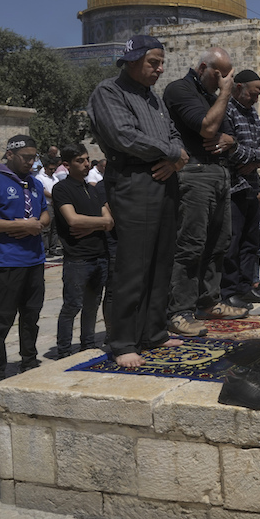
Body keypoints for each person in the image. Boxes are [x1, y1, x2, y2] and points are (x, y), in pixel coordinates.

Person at [87, 34, 187, 368]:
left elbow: (173, 134)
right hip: (133, 182)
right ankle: (123, 341)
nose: (159, 69)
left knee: (161, 260)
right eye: (153, 62)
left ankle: (154, 332)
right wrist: (173, 154)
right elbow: (123, 136)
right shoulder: (109, 92)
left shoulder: (154, 99)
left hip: (164, 178)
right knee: (134, 264)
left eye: (161, 63)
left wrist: (173, 160)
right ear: (132, 61)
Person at [163, 47, 250, 334]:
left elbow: (227, 134)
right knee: (191, 245)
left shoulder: (211, 96)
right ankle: (179, 310)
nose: (224, 81)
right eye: (219, 75)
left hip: (219, 173)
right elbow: (207, 128)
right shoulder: (180, 90)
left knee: (218, 243)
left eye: (228, 76)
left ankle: (208, 300)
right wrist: (226, 93)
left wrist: (228, 138)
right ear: (202, 68)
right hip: (195, 175)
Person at [0, 135, 50, 390]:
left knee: (31, 316)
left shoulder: (35, 183)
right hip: (7, 261)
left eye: (33, 157)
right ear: (10, 155)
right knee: (3, 318)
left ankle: (29, 360)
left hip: (35, 259)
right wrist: (17, 225)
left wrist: (38, 224)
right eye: (26, 158)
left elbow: (45, 212)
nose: (31, 162)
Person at [52, 143, 113, 358]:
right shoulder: (62, 189)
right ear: (67, 165)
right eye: (80, 160)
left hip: (99, 255)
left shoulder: (93, 189)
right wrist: (99, 224)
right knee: (72, 305)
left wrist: (91, 226)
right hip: (77, 258)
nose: (86, 164)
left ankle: (88, 344)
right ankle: (64, 350)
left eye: (87, 159)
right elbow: (73, 220)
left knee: (92, 304)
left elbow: (110, 221)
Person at [221, 69, 260, 308]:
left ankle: (245, 286)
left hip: (251, 184)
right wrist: (255, 157)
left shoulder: (251, 113)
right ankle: (228, 290)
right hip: (233, 186)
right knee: (233, 241)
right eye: (253, 93)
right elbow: (230, 148)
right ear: (238, 88)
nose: (255, 98)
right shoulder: (227, 111)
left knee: (251, 240)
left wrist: (255, 159)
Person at [35, 155, 61, 258]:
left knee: (55, 229)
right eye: (51, 169)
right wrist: (54, 197)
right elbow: (43, 191)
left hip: (55, 205)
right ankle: (45, 249)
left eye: (54, 169)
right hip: (47, 205)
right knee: (46, 229)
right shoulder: (39, 178)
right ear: (45, 168)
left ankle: (52, 248)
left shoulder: (54, 178)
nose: (53, 171)